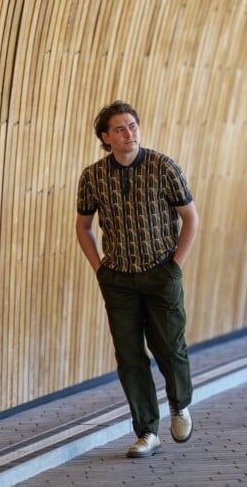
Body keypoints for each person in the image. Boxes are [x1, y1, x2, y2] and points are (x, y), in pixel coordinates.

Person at [75, 100, 199, 458]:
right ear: (105, 137)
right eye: (120, 129)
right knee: (129, 356)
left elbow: (190, 218)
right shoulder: (93, 176)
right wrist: (99, 268)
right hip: (118, 279)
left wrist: (175, 265)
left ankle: (179, 404)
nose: (129, 133)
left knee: (169, 347)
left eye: (133, 126)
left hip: (161, 273)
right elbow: (83, 227)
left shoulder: (163, 167)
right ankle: (147, 431)